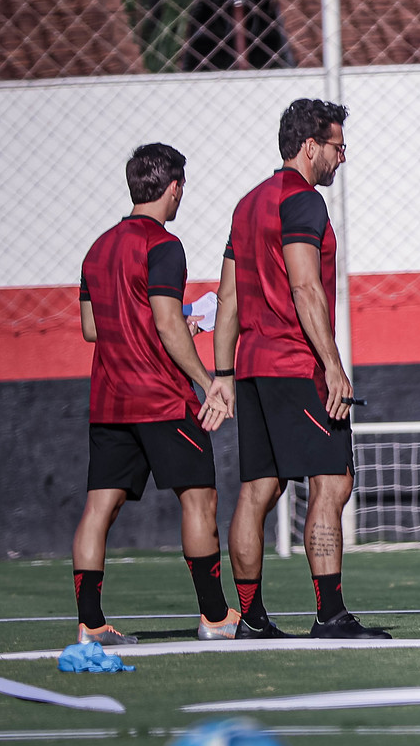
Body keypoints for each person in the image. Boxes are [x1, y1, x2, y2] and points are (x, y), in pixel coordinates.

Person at [214, 98, 387, 639]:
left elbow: (227, 299)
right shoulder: (304, 202)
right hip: (297, 364)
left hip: (252, 365)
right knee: (333, 481)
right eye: (338, 146)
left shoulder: (246, 206)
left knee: (257, 490)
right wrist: (333, 366)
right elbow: (305, 286)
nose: (343, 156)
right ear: (311, 147)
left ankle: (251, 618)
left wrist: (222, 373)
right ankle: (330, 615)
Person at [72, 144, 236, 645]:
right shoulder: (165, 245)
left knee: (99, 509)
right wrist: (210, 382)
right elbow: (165, 323)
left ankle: (91, 623)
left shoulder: (97, 248)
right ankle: (214, 617)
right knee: (199, 499)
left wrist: (166, 321)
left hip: (110, 399)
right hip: (163, 398)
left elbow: (91, 328)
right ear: (174, 188)